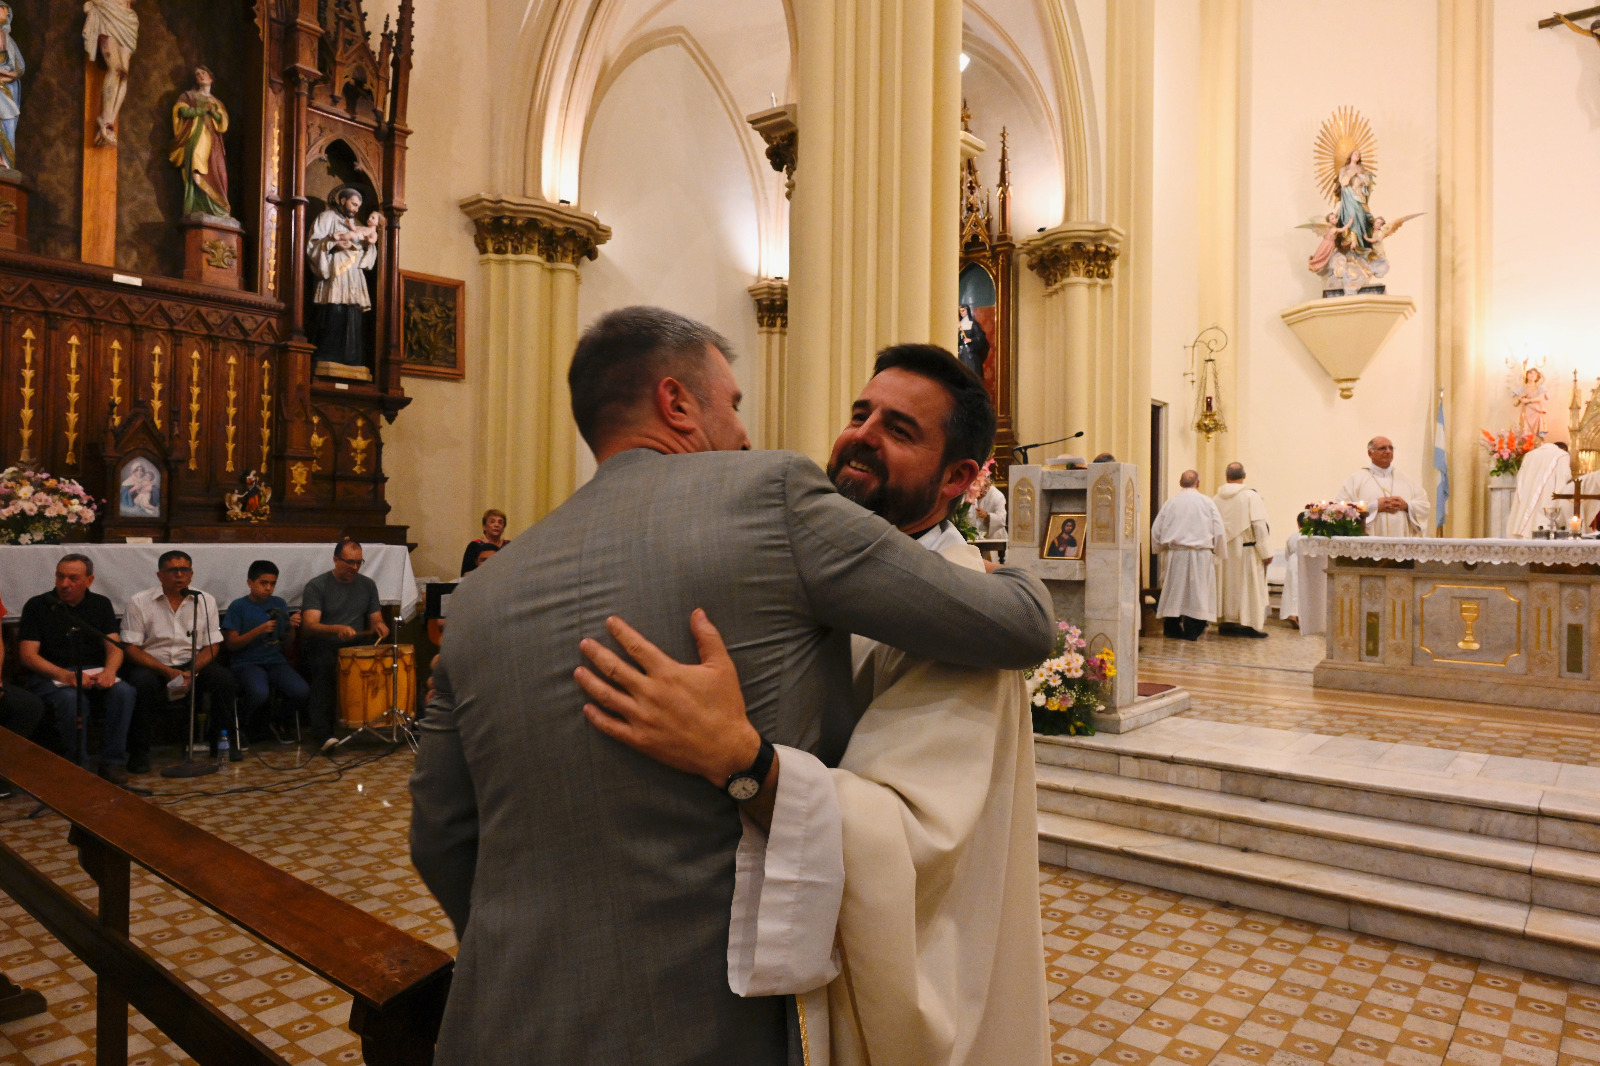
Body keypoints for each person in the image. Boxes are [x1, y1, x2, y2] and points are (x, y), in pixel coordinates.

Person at [409, 306, 1055, 1065]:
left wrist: (526, 947)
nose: (745, 434)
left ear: (960, 477)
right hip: (702, 1023)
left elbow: (440, 836)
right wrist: (747, 766)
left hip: (503, 1019)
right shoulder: (771, 498)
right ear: (677, 403)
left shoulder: (480, 594)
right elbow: (1024, 622)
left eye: (899, 427)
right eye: (734, 404)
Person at [15, 554, 137, 783]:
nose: (64, 584)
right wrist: (65, 675)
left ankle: (112, 762)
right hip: (51, 673)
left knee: (124, 692)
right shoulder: (38, 605)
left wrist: (110, 671)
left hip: (92, 670)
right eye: (60, 577)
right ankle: (77, 765)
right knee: (71, 699)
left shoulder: (100, 604)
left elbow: (114, 646)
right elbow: (28, 655)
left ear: (89, 580)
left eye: (73, 578)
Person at [121, 551, 240, 768]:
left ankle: (222, 744)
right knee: (141, 684)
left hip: (192, 663)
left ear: (191, 573)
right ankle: (139, 752)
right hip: (154, 664)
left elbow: (212, 645)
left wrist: (191, 670)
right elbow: (131, 647)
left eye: (184, 570)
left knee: (224, 680)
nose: (179, 575)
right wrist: (167, 671)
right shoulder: (139, 601)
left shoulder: (205, 600)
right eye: (172, 570)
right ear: (160, 575)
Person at [300, 538, 388, 745]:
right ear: (335, 560)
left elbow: (376, 619)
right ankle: (323, 734)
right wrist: (336, 629)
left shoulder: (368, 585)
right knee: (325, 667)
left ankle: (381, 720)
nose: (354, 567)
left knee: (387, 661)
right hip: (323, 642)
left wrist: (380, 626)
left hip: (355, 643)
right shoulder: (317, 585)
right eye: (349, 562)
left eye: (358, 562)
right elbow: (310, 625)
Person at [222, 560, 308, 741]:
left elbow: (287, 642)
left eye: (272, 583)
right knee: (259, 693)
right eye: (263, 583)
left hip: (275, 661)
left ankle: (277, 720)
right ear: (250, 582)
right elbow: (231, 644)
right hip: (246, 662)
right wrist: (258, 630)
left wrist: (291, 627)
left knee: (301, 691)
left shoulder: (279, 603)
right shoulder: (238, 606)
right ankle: (239, 726)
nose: (268, 588)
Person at [308, 185, 380, 374]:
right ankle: (328, 355)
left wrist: (367, 246)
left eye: (358, 206)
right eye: (353, 204)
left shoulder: (359, 225)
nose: (356, 209)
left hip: (353, 274)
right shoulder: (326, 218)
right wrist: (333, 244)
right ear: (342, 200)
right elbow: (313, 245)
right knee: (334, 310)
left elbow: (369, 253)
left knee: (353, 313)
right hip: (335, 271)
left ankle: (351, 358)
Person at [1151, 471, 1226, 641]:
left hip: (1176, 554)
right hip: (1201, 554)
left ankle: (1172, 627)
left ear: (1180, 482)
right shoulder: (1207, 502)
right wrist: (1219, 552)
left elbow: (1156, 529)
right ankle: (1193, 629)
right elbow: (1219, 529)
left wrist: (1159, 548)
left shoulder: (1171, 503)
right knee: (1198, 593)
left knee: (1175, 591)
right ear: (1198, 483)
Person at [1213, 462, 1271, 638]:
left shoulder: (1216, 498)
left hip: (1224, 551)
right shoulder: (1251, 496)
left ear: (1226, 476)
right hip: (1246, 551)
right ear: (1244, 476)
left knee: (1227, 586)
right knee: (1248, 587)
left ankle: (1227, 621)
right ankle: (1248, 623)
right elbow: (1259, 526)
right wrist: (1266, 553)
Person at [169, 66, 230, 218]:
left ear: (211, 78)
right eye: (197, 74)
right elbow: (182, 111)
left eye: (203, 73)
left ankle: (218, 207)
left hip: (214, 142)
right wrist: (202, 111)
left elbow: (223, 123)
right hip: (196, 136)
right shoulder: (188, 96)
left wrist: (214, 113)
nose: (200, 76)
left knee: (218, 172)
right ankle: (195, 206)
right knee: (196, 165)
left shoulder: (217, 102)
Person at [1339, 436, 1430, 537]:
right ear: (1370, 453)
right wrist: (1374, 506)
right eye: (1382, 448)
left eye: (1391, 448)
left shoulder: (1407, 480)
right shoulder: (1356, 479)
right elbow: (1341, 508)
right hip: (1370, 541)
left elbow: (1424, 506)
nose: (1388, 451)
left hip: (1401, 540)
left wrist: (1407, 506)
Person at [82, 0, 137, 147]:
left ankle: (109, 122)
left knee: (124, 74)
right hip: (108, 12)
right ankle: (105, 120)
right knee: (115, 68)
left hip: (128, 19)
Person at [1507, 440, 1574, 538]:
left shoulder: (1529, 455)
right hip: (1547, 511)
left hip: (1523, 509)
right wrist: (1561, 517)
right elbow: (1562, 485)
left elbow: (1520, 481)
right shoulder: (1562, 456)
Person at [0, 3, 25, 173]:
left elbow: (20, 66)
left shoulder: (9, 41)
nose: (6, 12)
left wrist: (10, 75)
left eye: (7, 10)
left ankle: (5, 160)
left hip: (8, 88)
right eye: (2, 8)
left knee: (7, 121)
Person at [458, 508, 509, 576]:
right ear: (484, 526)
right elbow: (466, 574)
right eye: (492, 522)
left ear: (503, 527)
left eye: (500, 522)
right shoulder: (474, 546)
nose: (496, 525)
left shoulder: (509, 545)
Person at [956, 304, 987, 378]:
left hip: (971, 353)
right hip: (961, 353)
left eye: (963, 311)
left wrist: (971, 340)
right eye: (960, 311)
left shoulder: (973, 323)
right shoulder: (959, 324)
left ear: (967, 311)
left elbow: (980, 337)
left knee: (972, 373)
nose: (962, 313)